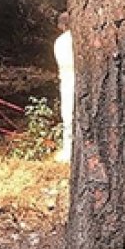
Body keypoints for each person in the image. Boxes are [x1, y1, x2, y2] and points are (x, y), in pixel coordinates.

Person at [54, 12, 74, 163]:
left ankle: (69, 150)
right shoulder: (81, 39)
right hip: (82, 78)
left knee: (69, 116)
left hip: (68, 80)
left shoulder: (60, 42)